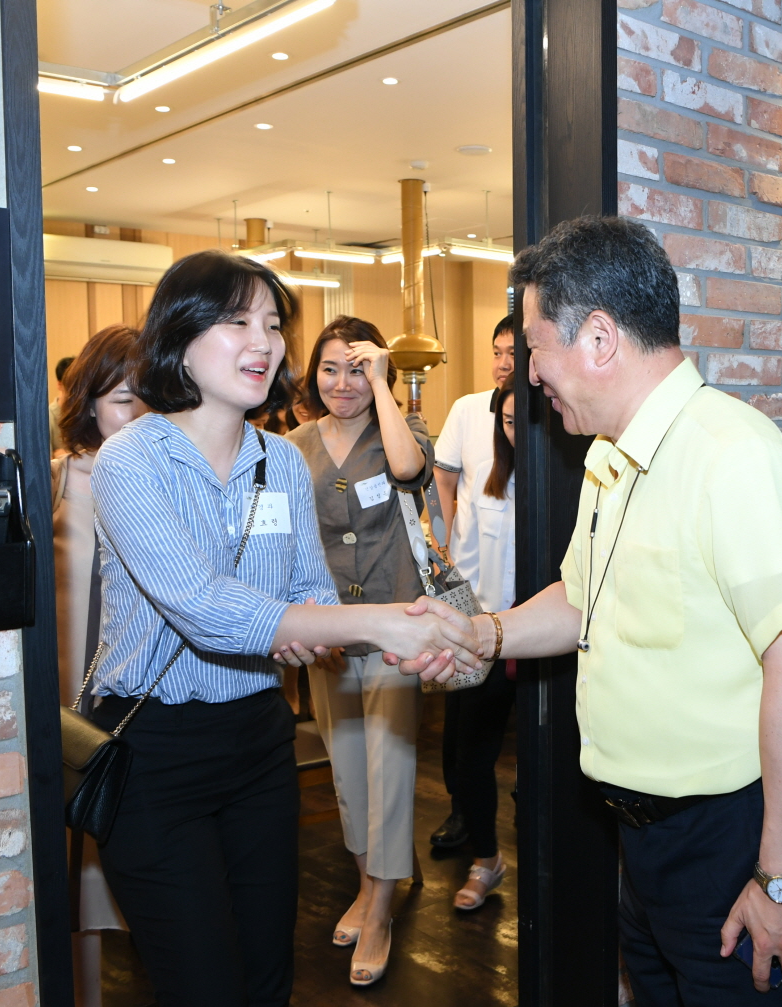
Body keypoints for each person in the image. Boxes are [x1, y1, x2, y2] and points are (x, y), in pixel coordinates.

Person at [403, 217, 782, 1005]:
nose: (528, 372)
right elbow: (583, 598)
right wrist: (483, 633)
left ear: (600, 338)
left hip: (740, 840)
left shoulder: (731, 453)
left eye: (535, 345)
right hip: (647, 844)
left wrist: (781, 881)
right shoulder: (613, 457)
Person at [87, 250, 480, 1007]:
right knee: (201, 981)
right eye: (237, 321)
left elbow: (304, 589)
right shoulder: (131, 459)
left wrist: (309, 628)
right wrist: (379, 625)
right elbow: (201, 604)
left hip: (258, 742)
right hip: (156, 752)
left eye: (271, 323)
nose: (262, 341)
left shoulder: (280, 460)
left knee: (269, 972)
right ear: (179, 333)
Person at [286, 316, 432, 987]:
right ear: (311, 374)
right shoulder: (290, 446)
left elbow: (408, 469)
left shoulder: (399, 431)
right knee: (347, 771)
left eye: (357, 367)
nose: (341, 383)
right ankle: (367, 885)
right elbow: (283, 539)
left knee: (390, 768)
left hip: (397, 624)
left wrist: (383, 387)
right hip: (330, 636)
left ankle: (380, 909)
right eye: (330, 368)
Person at [50, 325, 146, 1006]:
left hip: (141, 703)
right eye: (122, 400)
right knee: (71, 875)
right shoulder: (60, 475)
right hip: (68, 703)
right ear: (88, 402)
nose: (137, 416)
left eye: (151, 400)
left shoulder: (169, 479)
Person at [430, 316, 516, 854]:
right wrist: (443, 539)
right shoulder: (468, 408)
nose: (504, 362)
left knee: (500, 731)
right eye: (497, 351)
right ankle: (464, 814)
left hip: (521, 603)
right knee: (459, 723)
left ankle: (501, 826)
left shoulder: (539, 411)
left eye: (515, 353)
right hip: (466, 590)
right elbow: (443, 477)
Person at [446, 386, 518, 910]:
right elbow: (464, 554)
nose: (515, 430)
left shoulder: (564, 473)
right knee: (474, 753)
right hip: (485, 631)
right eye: (508, 421)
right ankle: (486, 857)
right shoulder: (487, 479)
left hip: (543, 638)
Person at [50, 354, 76, 455]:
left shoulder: (88, 412)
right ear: (59, 385)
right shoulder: (48, 417)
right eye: (71, 384)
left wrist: (65, 455)